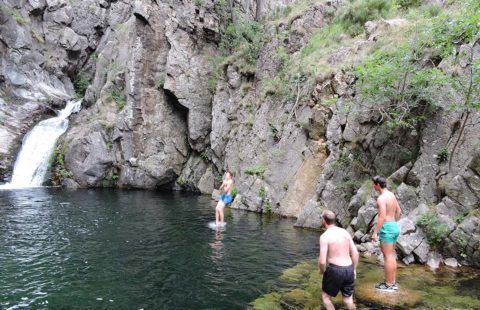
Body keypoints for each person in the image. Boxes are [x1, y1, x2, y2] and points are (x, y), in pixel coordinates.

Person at [319, 210, 359, 310]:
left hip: (335, 270)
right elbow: (355, 253)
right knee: (348, 299)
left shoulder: (324, 237)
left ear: (324, 221)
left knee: (326, 298)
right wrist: (353, 269)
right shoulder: (345, 232)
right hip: (349, 268)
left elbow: (322, 261)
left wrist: (322, 271)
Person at [371, 175, 402, 292]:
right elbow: (399, 211)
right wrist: (393, 222)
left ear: (378, 185)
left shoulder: (381, 198)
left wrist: (375, 232)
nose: (373, 186)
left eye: (374, 184)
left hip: (387, 228)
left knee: (387, 256)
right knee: (391, 255)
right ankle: (392, 282)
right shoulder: (392, 195)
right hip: (394, 226)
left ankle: (388, 284)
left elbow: (382, 217)